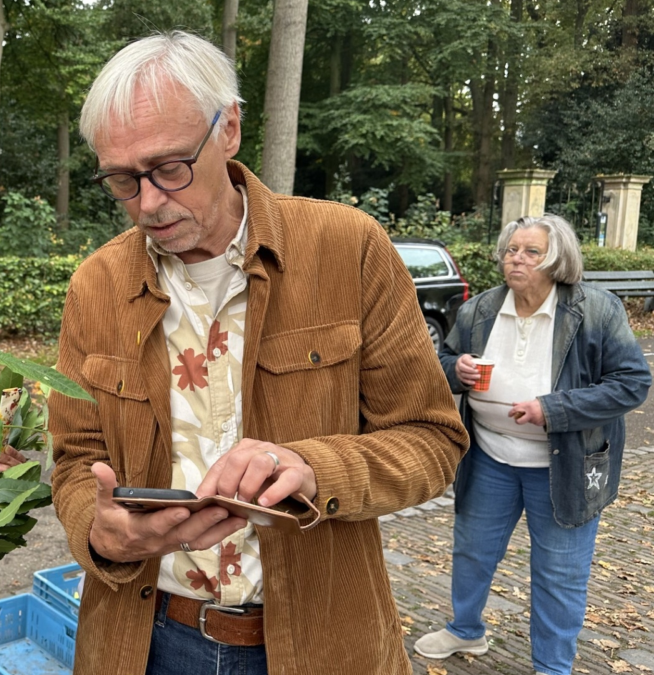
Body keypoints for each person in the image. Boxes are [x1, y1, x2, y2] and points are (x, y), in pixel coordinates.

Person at [48, 31, 469, 675]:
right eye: (123, 181)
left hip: (323, 641)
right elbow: (77, 460)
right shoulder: (96, 286)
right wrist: (97, 530)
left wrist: (311, 465)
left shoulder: (346, 248)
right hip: (144, 638)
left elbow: (434, 442)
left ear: (230, 129)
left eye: (169, 168)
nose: (150, 203)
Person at [415, 214, 650, 675]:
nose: (515, 258)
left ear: (557, 259)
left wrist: (554, 410)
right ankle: (466, 629)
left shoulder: (597, 310)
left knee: (559, 575)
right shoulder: (479, 310)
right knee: (472, 551)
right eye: (510, 250)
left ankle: (552, 667)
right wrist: (454, 369)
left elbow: (632, 383)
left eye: (530, 251)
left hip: (565, 466)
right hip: (489, 457)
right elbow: (441, 360)